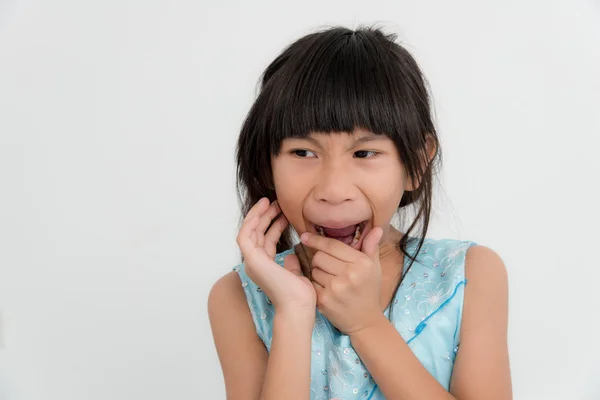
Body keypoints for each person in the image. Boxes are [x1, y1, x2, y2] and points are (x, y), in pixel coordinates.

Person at [208, 25, 512, 400]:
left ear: (416, 163)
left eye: (364, 153)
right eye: (303, 153)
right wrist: (293, 313)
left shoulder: (470, 274)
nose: (334, 191)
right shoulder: (238, 296)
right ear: (266, 165)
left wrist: (366, 324)